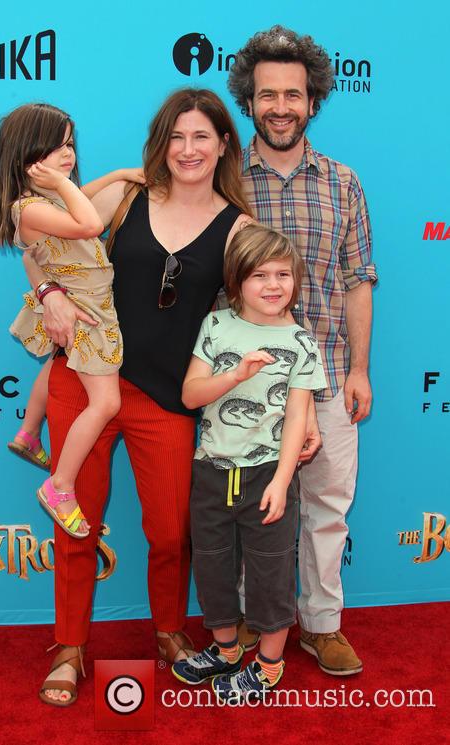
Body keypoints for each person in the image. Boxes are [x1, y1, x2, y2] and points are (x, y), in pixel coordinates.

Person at [21, 89, 252, 705]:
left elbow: (257, 316)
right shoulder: (121, 198)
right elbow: (34, 243)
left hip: (168, 400)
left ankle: (171, 634)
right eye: (176, 136)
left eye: (201, 136)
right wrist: (49, 294)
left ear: (224, 143)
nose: (188, 149)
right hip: (88, 381)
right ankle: (69, 647)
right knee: (76, 522)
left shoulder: (240, 228)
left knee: (172, 530)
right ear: (161, 142)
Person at [228, 26, 377, 675]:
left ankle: (322, 624)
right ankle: (249, 626)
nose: (281, 106)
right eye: (268, 95)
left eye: (293, 93)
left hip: (331, 377)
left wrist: (362, 370)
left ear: (312, 99)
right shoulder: (225, 180)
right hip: (248, 387)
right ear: (249, 101)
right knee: (246, 515)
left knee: (326, 510)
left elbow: (357, 280)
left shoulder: (344, 183)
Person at [171, 223, 326, 701]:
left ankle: (269, 664)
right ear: (237, 280)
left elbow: (298, 417)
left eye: (284, 274)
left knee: (270, 573)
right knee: (213, 567)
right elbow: (191, 393)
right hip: (212, 470)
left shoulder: (302, 341)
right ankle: (226, 650)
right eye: (260, 275)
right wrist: (235, 374)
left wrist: (282, 481)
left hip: (266, 476)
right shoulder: (217, 326)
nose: (274, 285)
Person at [0, 102, 144, 538]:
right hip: (89, 313)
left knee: (53, 366)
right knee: (107, 403)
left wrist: (117, 176)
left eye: (71, 145)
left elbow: (85, 197)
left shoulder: (47, 199)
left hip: (86, 303)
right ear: (27, 154)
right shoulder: (28, 208)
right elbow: (90, 221)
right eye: (57, 148)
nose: (69, 156)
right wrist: (64, 181)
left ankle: (28, 433)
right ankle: (60, 486)